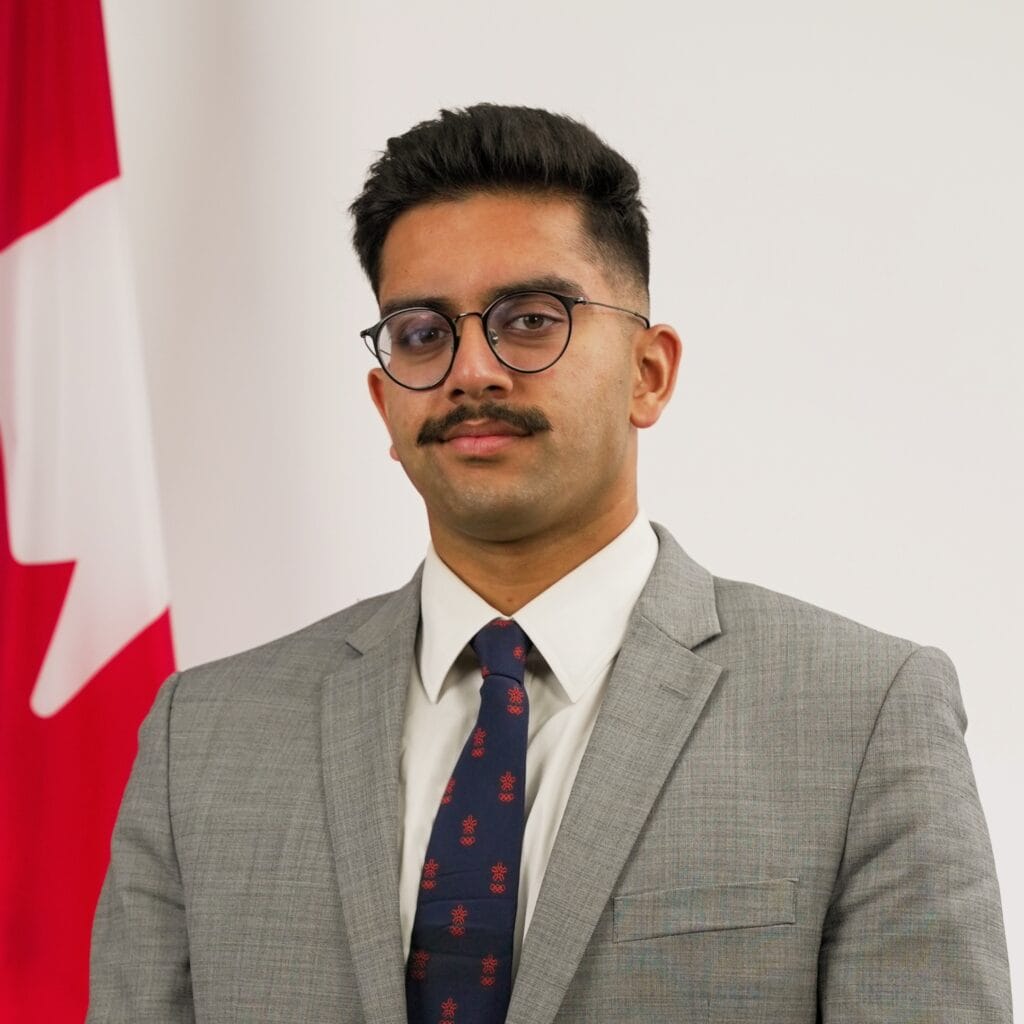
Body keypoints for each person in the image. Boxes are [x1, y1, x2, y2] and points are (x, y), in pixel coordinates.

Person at [88, 104, 1012, 1023]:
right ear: (384, 404)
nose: (473, 370)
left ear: (648, 372)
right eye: (422, 333)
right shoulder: (201, 739)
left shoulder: (863, 714)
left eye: (532, 320)